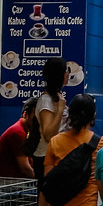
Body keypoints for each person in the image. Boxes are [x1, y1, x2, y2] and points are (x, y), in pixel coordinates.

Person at [34, 93, 103, 206]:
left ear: (70, 115)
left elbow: (46, 184)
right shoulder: (102, 144)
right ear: (93, 116)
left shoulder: (55, 142)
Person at [34, 57, 69, 185]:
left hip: (58, 156)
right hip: (47, 157)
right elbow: (48, 135)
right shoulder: (46, 101)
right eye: (66, 70)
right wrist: (59, 110)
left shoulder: (57, 97)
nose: (68, 74)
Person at [0, 97, 36, 177]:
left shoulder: (26, 132)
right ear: (25, 114)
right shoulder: (18, 133)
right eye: (36, 116)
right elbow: (25, 169)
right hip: (11, 186)